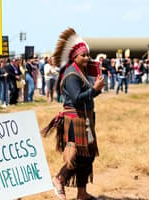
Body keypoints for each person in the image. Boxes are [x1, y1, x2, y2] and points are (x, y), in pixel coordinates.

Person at [42, 28, 105, 200]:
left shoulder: (81, 72)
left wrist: (96, 90)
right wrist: (95, 89)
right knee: (77, 155)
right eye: (83, 55)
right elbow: (77, 99)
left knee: (88, 156)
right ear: (74, 57)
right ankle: (59, 179)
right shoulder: (71, 74)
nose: (86, 58)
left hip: (85, 120)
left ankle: (82, 193)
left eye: (88, 55)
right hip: (74, 120)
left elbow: (87, 97)